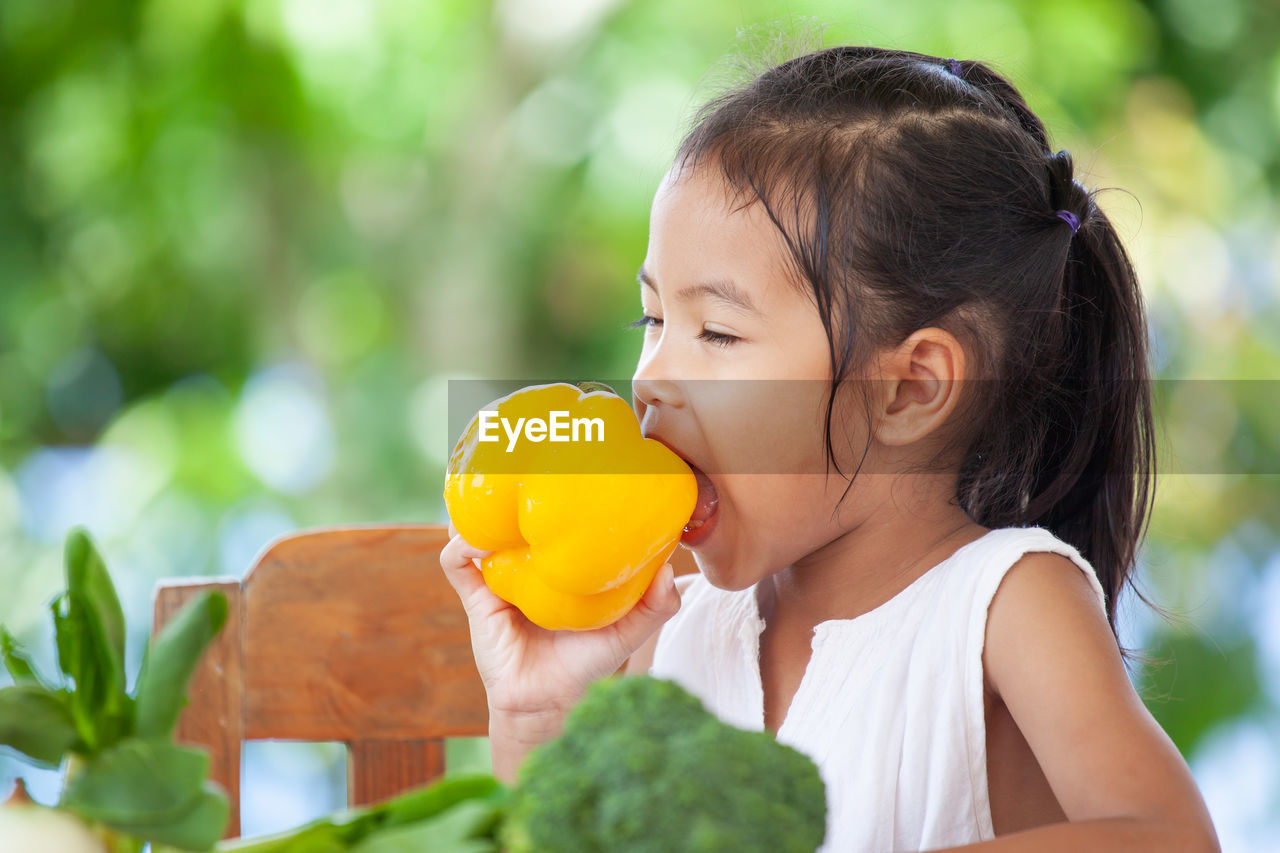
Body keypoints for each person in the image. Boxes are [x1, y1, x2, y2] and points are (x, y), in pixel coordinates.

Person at [440, 46, 1220, 852]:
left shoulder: (1005, 601)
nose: (651, 380)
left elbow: (1169, 837)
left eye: (716, 331)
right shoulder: (670, 632)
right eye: (653, 321)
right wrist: (532, 716)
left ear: (908, 389)